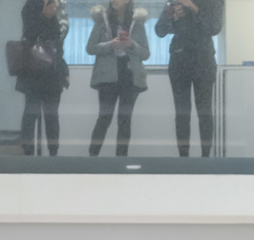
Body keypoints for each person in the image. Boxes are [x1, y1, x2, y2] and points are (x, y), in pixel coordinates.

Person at [155, 0, 224, 157]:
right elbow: (159, 31)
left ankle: (206, 157)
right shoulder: (174, 2)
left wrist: (193, 7)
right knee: (181, 113)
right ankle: (183, 158)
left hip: (203, 62)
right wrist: (172, 18)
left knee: (204, 112)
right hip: (179, 61)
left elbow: (214, 27)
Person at [86, 2, 151, 156]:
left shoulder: (137, 21)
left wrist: (131, 44)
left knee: (125, 121)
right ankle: (91, 158)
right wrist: (111, 44)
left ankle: (121, 160)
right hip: (107, 77)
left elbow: (146, 53)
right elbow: (90, 48)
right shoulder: (102, 19)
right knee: (104, 118)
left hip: (130, 77)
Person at [16, 0, 70, 156]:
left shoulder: (61, 10)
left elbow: (58, 41)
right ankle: (27, 151)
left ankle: (53, 153)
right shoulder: (31, 6)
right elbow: (29, 35)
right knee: (30, 112)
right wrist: (44, 17)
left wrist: (64, 70)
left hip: (52, 69)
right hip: (32, 69)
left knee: (51, 114)